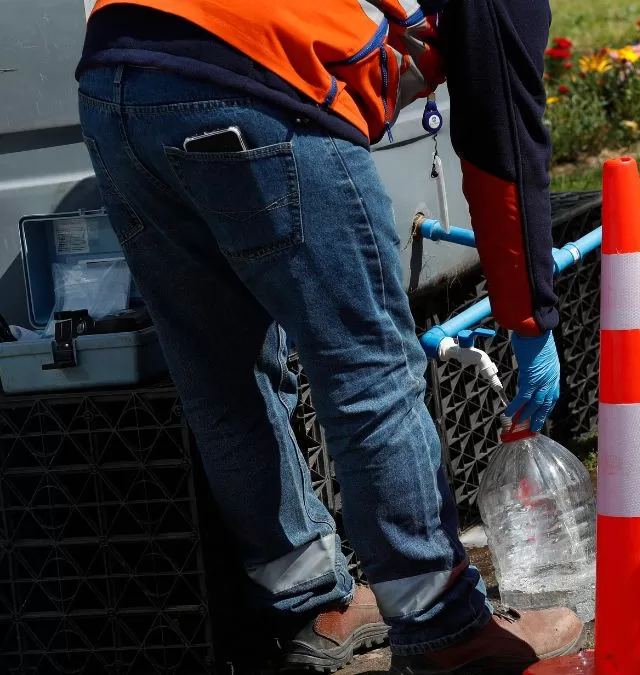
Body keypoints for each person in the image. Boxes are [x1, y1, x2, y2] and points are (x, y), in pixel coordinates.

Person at [74, 1, 579, 673]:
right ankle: (442, 624)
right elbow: (501, 140)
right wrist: (528, 319)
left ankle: (308, 601)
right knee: (369, 368)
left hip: (116, 78)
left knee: (221, 374)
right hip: (260, 75)